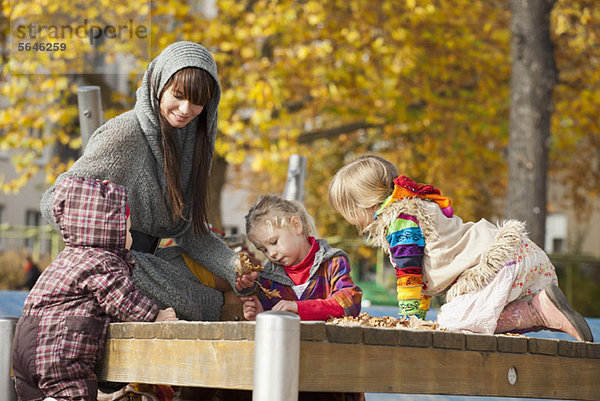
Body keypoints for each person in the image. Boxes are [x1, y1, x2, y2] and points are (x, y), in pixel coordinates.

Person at [39, 41, 257, 322]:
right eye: (178, 95)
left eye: (198, 101)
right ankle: (227, 308)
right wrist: (110, 244)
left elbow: (191, 234)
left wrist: (234, 268)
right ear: (158, 85)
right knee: (200, 302)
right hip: (111, 267)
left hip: (151, 262)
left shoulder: (193, 143)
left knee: (233, 282)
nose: (186, 108)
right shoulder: (125, 134)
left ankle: (232, 302)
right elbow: (53, 200)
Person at [328, 154, 593, 342]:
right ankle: (543, 310)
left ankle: (536, 310)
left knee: (452, 323)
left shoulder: (399, 221)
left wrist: (408, 320)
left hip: (496, 264)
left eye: (348, 212)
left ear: (362, 206)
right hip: (516, 254)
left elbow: (409, 274)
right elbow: (419, 274)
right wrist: (415, 315)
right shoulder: (415, 206)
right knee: (475, 316)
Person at [12, 177, 178, 401]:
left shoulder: (67, 258)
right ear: (109, 231)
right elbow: (122, 300)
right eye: (127, 232)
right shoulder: (102, 261)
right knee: (69, 392)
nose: (130, 238)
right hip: (58, 351)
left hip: (27, 345)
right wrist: (156, 315)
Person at [240, 194, 362, 322]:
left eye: (274, 242)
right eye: (264, 250)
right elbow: (273, 321)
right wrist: (261, 315)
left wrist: (299, 308)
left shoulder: (332, 263)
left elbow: (350, 302)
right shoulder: (268, 277)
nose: (271, 254)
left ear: (296, 225)